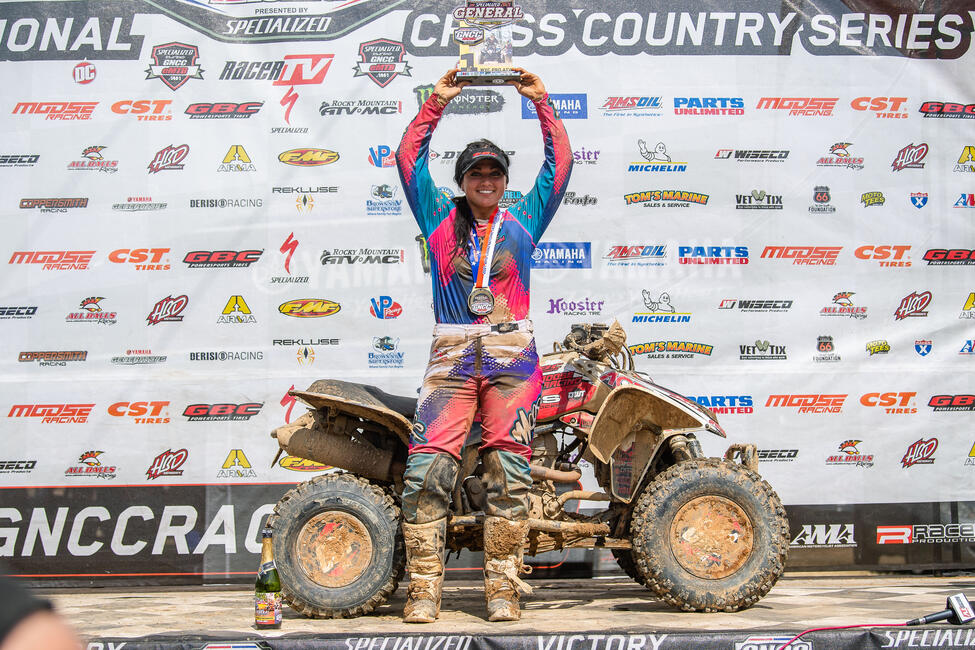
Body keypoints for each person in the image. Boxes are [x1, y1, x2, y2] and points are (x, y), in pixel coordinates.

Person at [395, 68, 573, 623]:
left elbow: (560, 164)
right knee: (427, 469)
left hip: (510, 357)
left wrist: (542, 100)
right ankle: (424, 591)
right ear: (463, 179)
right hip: (451, 354)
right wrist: (437, 104)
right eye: (477, 172)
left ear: (504, 180)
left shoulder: (525, 219)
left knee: (508, 470)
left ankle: (503, 588)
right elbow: (407, 160)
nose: (487, 180)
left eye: (495, 172)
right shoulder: (438, 218)